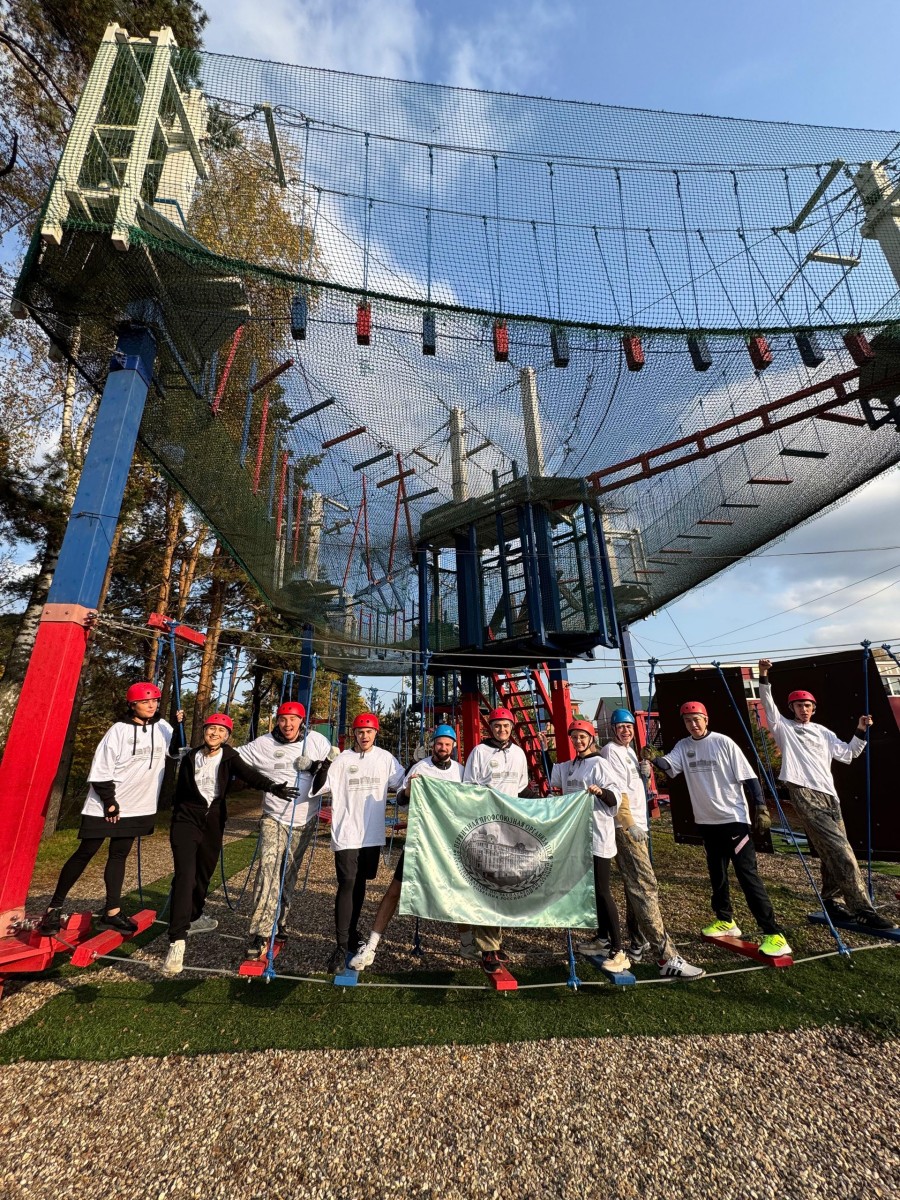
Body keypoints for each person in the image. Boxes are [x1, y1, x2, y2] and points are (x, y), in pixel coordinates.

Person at [758, 659, 895, 930]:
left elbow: (848, 754)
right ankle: (862, 909)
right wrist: (763, 675)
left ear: (814, 708)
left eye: (807, 705)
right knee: (842, 851)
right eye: (799, 705)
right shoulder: (784, 727)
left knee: (829, 851)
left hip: (830, 796)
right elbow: (767, 704)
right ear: (792, 708)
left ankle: (831, 901)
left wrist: (860, 730)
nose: (804, 709)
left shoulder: (822, 732)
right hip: (804, 791)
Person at [161, 713, 303, 976]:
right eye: (211, 729)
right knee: (184, 875)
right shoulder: (190, 756)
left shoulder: (229, 757)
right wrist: (177, 721)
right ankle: (177, 941)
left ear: (227, 736)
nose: (214, 733)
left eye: (220, 731)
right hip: (185, 820)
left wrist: (274, 788)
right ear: (204, 731)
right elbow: (172, 751)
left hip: (213, 821)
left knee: (203, 873)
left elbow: (251, 776)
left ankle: (194, 916)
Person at [648, 700, 792, 958]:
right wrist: (653, 759)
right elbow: (670, 767)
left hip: (733, 819)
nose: (693, 724)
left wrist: (760, 806)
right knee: (717, 874)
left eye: (697, 719)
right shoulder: (684, 746)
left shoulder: (723, 742)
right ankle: (726, 920)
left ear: (706, 719)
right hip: (707, 821)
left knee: (747, 875)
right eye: (688, 721)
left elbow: (749, 777)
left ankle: (774, 934)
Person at [40, 682, 181, 934]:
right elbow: (101, 769)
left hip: (139, 805)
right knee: (86, 852)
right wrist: (110, 803)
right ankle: (53, 909)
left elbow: (176, 752)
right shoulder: (118, 731)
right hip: (106, 805)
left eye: (155, 701)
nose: (151, 705)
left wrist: (179, 726)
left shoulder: (163, 727)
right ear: (132, 705)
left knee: (119, 855)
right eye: (145, 702)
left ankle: (112, 912)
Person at [599, 709, 705, 979]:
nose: (625, 730)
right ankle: (666, 957)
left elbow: (634, 787)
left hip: (639, 824)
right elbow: (617, 791)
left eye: (628, 726)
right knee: (645, 886)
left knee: (634, 885)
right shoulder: (611, 751)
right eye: (620, 726)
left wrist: (644, 775)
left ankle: (637, 941)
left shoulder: (630, 752)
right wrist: (628, 823)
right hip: (626, 826)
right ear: (612, 729)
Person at [350, 725, 464, 972]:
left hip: (447, 842)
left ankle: (467, 941)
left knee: (459, 890)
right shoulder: (420, 767)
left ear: (454, 746)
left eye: (447, 744)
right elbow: (401, 801)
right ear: (433, 745)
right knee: (395, 891)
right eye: (439, 743)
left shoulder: (460, 771)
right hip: (420, 840)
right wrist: (410, 790)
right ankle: (372, 945)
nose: (443, 748)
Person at [237, 700, 337, 958]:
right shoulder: (263, 744)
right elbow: (233, 758)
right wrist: (201, 752)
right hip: (274, 817)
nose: (287, 724)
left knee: (288, 873)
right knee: (267, 870)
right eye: (283, 719)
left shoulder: (317, 741)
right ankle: (260, 932)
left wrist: (315, 766)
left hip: (305, 819)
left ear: (302, 721)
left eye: (293, 719)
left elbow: (332, 774)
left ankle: (280, 919)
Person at [311, 712, 405, 973]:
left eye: (369, 732)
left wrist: (420, 766)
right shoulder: (342, 759)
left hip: (371, 835)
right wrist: (325, 764)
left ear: (376, 733)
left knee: (360, 883)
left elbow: (404, 783)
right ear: (354, 733)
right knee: (347, 884)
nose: (365, 736)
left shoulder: (385, 758)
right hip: (347, 834)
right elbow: (319, 787)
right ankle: (341, 946)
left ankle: (352, 934)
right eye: (360, 732)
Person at [548, 719, 630, 974]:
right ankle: (602, 939)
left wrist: (601, 792)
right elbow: (552, 776)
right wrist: (543, 747)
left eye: (582, 737)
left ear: (591, 739)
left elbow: (615, 797)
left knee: (603, 891)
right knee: (592, 891)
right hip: (579, 837)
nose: (578, 741)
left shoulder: (600, 764)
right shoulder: (572, 765)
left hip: (598, 835)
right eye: (574, 737)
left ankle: (619, 950)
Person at [462, 706, 530, 973]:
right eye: (497, 726)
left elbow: (521, 788)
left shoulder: (519, 754)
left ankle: (495, 941)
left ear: (512, 728)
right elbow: (470, 788)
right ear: (490, 728)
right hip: (487, 827)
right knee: (487, 885)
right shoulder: (480, 752)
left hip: (511, 828)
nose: (502, 730)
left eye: (506, 726)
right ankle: (488, 947)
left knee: (503, 884)